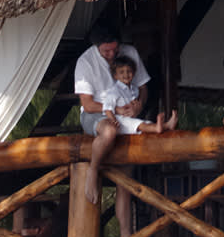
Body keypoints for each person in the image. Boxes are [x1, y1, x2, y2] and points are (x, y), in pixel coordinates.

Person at [75, 28, 176, 190]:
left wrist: (139, 105)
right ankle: (92, 171)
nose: (112, 54)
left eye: (115, 49)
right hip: (95, 114)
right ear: (97, 46)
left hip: (126, 116)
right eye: (106, 51)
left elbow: (143, 87)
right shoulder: (85, 61)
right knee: (109, 131)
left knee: (125, 183)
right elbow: (88, 104)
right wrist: (116, 110)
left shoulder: (130, 52)